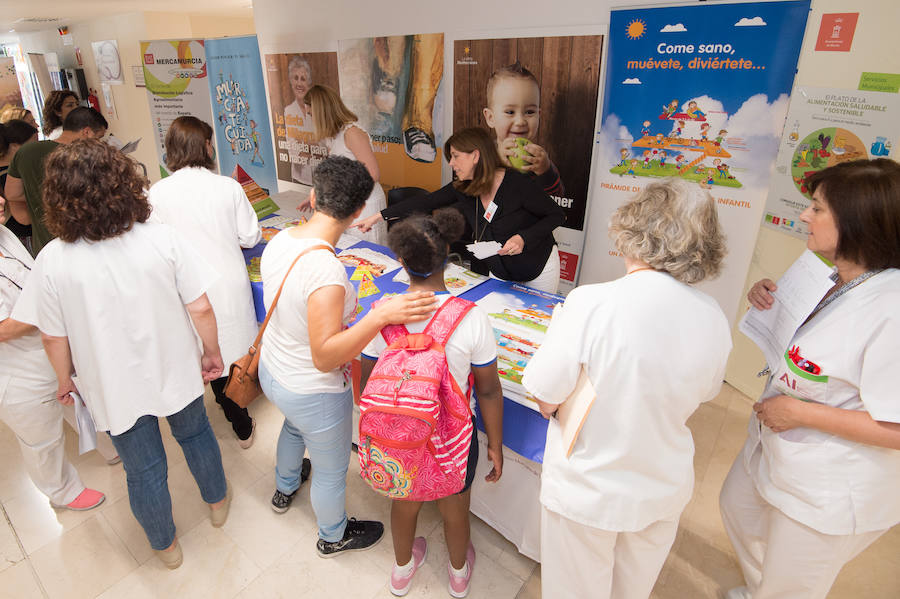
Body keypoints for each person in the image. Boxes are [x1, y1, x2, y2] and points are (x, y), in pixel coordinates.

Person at [15, 139, 231, 570]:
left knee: (144, 469)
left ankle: (165, 546)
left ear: (57, 197)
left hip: (113, 384)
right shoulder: (161, 239)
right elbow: (201, 306)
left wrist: (64, 381)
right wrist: (211, 352)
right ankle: (217, 503)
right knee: (196, 435)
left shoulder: (53, 260)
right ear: (123, 182)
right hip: (174, 366)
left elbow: (52, 337)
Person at [521, 178, 731, 599]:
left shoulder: (592, 302)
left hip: (590, 487)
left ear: (633, 233)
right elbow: (706, 393)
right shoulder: (712, 315)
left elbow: (545, 391)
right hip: (661, 484)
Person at [720, 159, 900, 599]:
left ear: (857, 223)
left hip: (832, 485)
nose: (804, 216)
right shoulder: (837, 274)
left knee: (793, 585)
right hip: (780, 444)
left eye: (817, 209)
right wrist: (771, 300)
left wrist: (801, 413)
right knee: (737, 508)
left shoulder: (891, 310)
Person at [258, 156, 438, 557]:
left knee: (292, 427)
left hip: (275, 371)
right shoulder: (325, 271)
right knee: (332, 468)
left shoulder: (283, 240)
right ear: (359, 211)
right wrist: (379, 317)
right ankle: (332, 534)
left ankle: (285, 487)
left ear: (312, 195)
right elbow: (324, 357)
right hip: (311, 388)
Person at [359, 208, 504, 597]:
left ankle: (403, 570)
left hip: (397, 435)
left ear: (401, 261)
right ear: (448, 255)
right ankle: (458, 575)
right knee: (455, 507)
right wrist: (494, 443)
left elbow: (366, 386)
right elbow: (489, 390)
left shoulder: (382, 315)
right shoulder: (471, 318)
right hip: (454, 439)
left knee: (403, 500)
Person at [147, 116, 261, 449]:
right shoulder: (227, 187)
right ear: (206, 146)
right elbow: (250, 234)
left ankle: (219, 415)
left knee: (202, 351)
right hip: (227, 282)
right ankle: (240, 420)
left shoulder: (158, 192)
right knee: (232, 354)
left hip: (184, 286)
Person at [354, 127, 565, 293]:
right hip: (500, 270)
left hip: (538, 269)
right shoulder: (463, 187)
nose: (451, 163)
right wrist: (377, 217)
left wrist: (523, 238)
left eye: (455, 156)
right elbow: (426, 202)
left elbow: (556, 215)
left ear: (475, 155)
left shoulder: (517, 184)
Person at [0, 194, 105, 512]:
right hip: (18, 374)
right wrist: (47, 309)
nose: (2, 200)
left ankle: (112, 448)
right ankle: (63, 491)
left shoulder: (5, 234)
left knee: (79, 402)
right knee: (42, 440)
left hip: (48, 350)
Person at [4, 107, 108, 255]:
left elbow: (12, 194)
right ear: (87, 132)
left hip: (44, 246)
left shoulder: (26, 152)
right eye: (98, 138)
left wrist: (38, 199)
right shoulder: (84, 157)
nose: (99, 144)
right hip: (81, 244)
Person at [302, 84, 388, 245]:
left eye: (311, 114)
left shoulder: (352, 133)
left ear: (322, 112)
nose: (311, 119)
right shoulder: (333, 135)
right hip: (348, 203)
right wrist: (319, 195)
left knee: (367, 254)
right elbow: (337, 174)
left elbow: (373, 174)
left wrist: (341, 191)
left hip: (366, 204)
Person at [483, 62, 564, 197]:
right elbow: (471, 194)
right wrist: (497, 165)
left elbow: (558, 197)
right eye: (509, 112)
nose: (520, 121)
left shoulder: (538, 161)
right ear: (491, 118)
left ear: (539, 115)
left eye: (529, 112)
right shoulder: (483, 157)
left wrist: (545, 171)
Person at [283, 56, 327, 185]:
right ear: (291, 81)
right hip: (299, 178)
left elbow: (326, 149)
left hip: (323, 179)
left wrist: (304, 145)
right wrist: (313, 147)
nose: (299, 83)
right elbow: (292, 150)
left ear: (309, 82)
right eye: (295, 78)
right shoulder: (288, 111)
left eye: (303, 79)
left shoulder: (321, 110)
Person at [0, 120, 38, 249]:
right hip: (22, 236)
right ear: (15, 146)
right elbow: (24, 218)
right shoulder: (11, 176)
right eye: (33, 143)